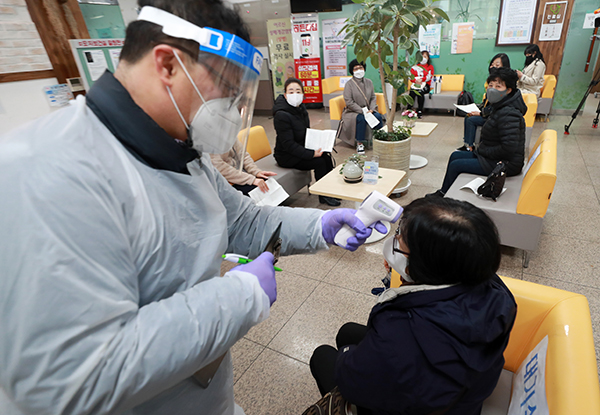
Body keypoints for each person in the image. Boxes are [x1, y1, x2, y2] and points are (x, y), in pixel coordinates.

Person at [0, 2, 383, 414]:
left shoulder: (182, 147)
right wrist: (238, 296)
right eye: (226, 90)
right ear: (167, 64)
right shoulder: (46, 171)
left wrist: (321, 225)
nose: (234, 110)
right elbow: (67, 378)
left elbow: (245, 220)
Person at [309, 197, 517, 415]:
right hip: (462, 396)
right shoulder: (494, 289)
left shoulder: (400, 332)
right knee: (348, 331)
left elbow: (352, 380)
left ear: (424, 266)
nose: (395, 238)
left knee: (324, 355)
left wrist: (346, 354)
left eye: (400, 239)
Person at [431, 67, 526, 196]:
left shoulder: (509, 113)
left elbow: (508, 148)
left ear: (509, 90)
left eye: (498, 86)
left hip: (506, 163)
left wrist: (482, 150)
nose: (492, 89)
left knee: (456, 165)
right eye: (490, 85)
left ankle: (443, 198)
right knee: (455, 155)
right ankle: (444, 192)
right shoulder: (500, 106)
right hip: (495, 157)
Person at [273, 77, 340, 206]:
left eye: (298, 91)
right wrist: (311, 153)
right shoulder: (281, 115)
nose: (295, 94)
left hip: (300, 147)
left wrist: (319, 143)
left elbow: (305, 132)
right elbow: (288, 145)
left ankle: (329, 191)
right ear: (285, 95)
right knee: (319, 162)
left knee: (326, 156)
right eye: (291, 92)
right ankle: (323, 196)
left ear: (303, 94)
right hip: (286, 155)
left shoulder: (301, 108)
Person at [457, 53, 511, 151]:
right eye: (492, 64)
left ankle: (470, 147)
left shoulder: (505, 84)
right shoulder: (491, 80)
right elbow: (488, 101)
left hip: (494, 117)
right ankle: (467, 144)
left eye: (497, 65)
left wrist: (481, 113)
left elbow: (497, 107)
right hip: (489, 112)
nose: (493, 67)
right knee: (468, 115)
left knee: (471, 120)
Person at [338, 59, 385, 150]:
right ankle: (360, 143)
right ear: (352, 71)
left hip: (369, 109)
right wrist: (362, 111)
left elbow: (372, 97)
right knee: (361, 119)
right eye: (356, 68)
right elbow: (349, 101)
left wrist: (371, 109)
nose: (359, 70)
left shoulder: (369, 82)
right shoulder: (349, 84)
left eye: (361, 67)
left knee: (378, 117)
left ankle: (379, 139)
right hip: (353, 111)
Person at [210, 140, 276, 195]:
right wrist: (251, 179)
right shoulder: (207, 142)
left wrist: (256, 171)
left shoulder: (229, 132)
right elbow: (221, 168)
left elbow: (243, 155)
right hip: (223, 180)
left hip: (238, 173)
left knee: (267, 183)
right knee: (255, 191)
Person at [408, 50, 434, 118]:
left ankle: (419, 110)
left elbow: (429, 76)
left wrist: (422, 79)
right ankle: (409, 110)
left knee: (420, 92)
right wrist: (415, 80)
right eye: (421, 56)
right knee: (412, 92)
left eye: (425, 56)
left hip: (426, 85)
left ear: (428, 58)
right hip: (415, 84)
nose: (423, 58)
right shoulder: (415, 67)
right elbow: (410, 76)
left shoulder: (430, 67)